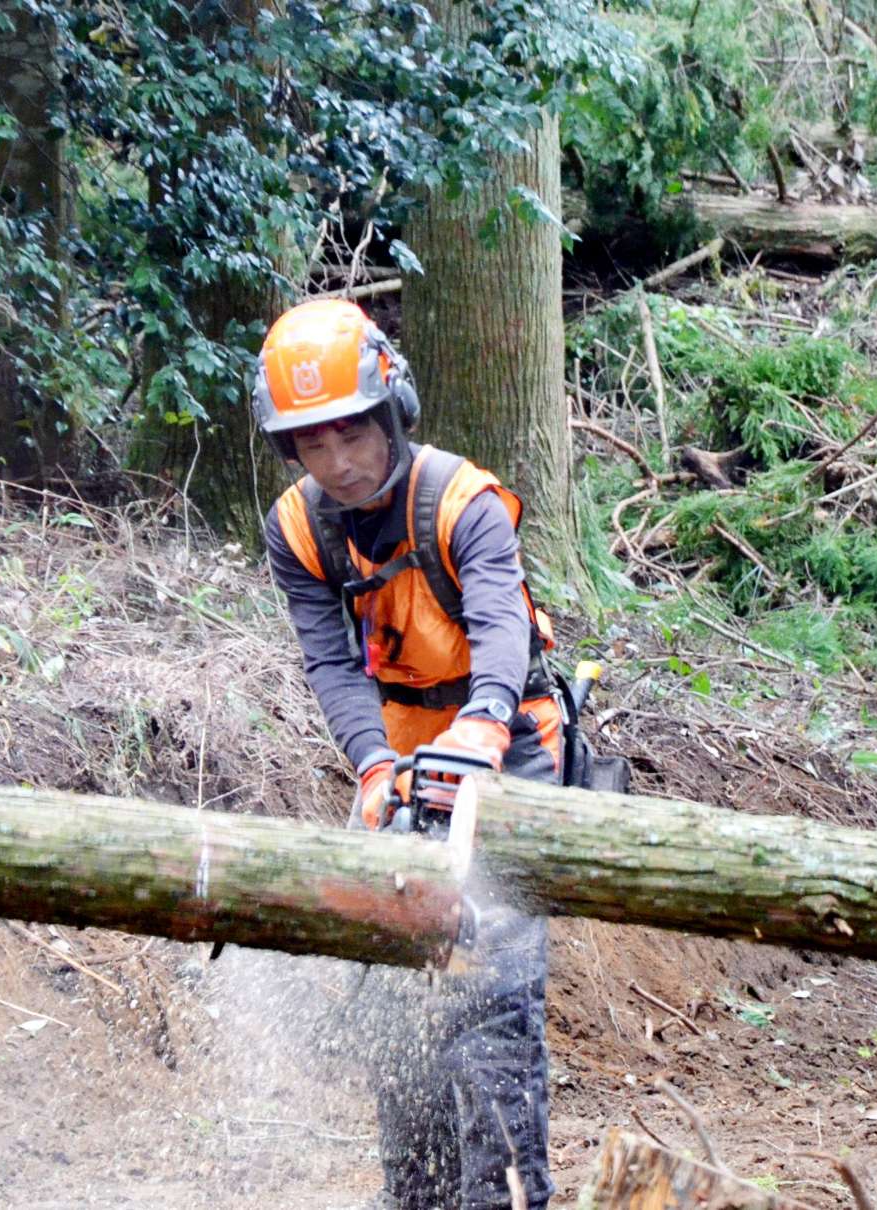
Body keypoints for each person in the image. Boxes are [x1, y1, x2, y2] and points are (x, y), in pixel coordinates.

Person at [255, 298, 560, 1210]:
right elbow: (330, 663)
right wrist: (374, 765)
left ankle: (507, 1198)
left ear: (391, 412)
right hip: (405, 758)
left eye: (352, 433)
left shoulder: (463, 501)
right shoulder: (299, 530)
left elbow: (503, 621)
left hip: (509, 752)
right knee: (398, 995)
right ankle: (416, 1200)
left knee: (491, 1008)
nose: (338, 462)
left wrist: (484, 721)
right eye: (312, 444)